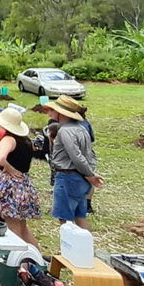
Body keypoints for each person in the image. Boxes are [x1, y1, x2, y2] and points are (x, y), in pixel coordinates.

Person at [46, 97, 103, 230]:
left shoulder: (65, 131)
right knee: (79, 217)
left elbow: (76, 156)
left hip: (68, 177)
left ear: (62, 113)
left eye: (53, 110)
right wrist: (89, 173)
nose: (50, 114)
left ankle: (70, 249)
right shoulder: (82, 129)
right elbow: (90, 154)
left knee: (65, 220)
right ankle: (87, 247)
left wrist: (90, 175)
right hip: (80, 179)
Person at [0, 108, 40, 251]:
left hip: (11, 185)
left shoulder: (8, 139)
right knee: (23, 226)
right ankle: (36, 258)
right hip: (24, 183)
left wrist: (9, 168)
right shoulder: (26, 140)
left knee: (13, 226)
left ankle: (19, 261)